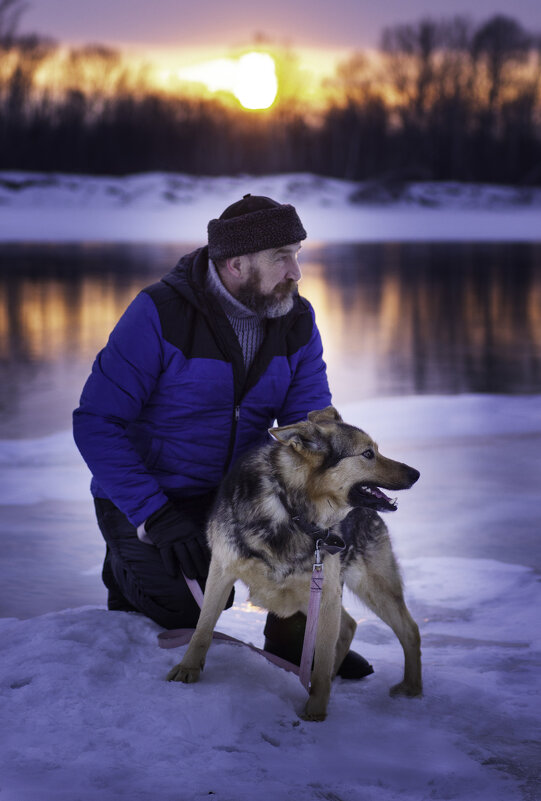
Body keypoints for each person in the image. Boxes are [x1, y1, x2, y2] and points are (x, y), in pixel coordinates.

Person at [73, 193, 373, 680]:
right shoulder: (159, 314)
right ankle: (129, 562)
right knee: (184, 614)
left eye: (298, 254)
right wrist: (155, 515)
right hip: (151, 495)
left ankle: (296, 635)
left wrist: (329, 491)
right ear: (236, 263)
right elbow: (95, 422)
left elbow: (310, 423)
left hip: (234, 494)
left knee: (312, 534)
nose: (296, 271)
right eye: (282, 258)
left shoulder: (296, 319)